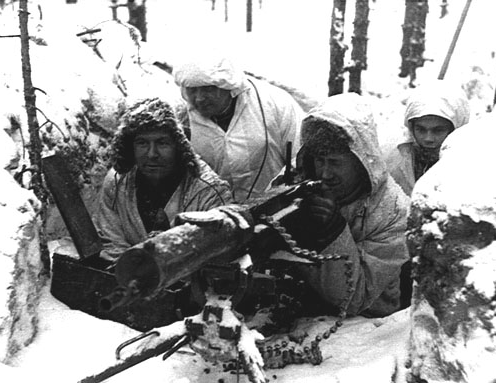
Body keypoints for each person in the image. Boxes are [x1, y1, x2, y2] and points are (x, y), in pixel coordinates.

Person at [282, 92, 410, 318]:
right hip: (297, 310)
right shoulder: (297, 180)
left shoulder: (393, 211)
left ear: (360, 162)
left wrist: (332, 231)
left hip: (368, 325)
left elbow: (356, 298)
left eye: (335, 163)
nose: (324, 173)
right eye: (319, 161)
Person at [95, 97, 233, 261]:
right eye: (142, 143)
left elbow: (219, 253)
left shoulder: (208, 192)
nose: (152, 154)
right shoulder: (117, 181)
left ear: (180, 146)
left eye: (162, 143)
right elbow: (111, 243)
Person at [173, 52, 303, 202]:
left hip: (273, 208)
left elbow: (300, 157)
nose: (199, 98)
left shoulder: (275, 103)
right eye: (192, 90)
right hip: (210, 216)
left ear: (228, 86)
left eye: (208, 89)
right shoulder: (180, 116)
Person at [385, 80, 470, 196]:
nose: (428, 139)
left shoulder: (469, 165)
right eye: (421, 129)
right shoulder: (393, 158)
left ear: (455, 129)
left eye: (438, 130)